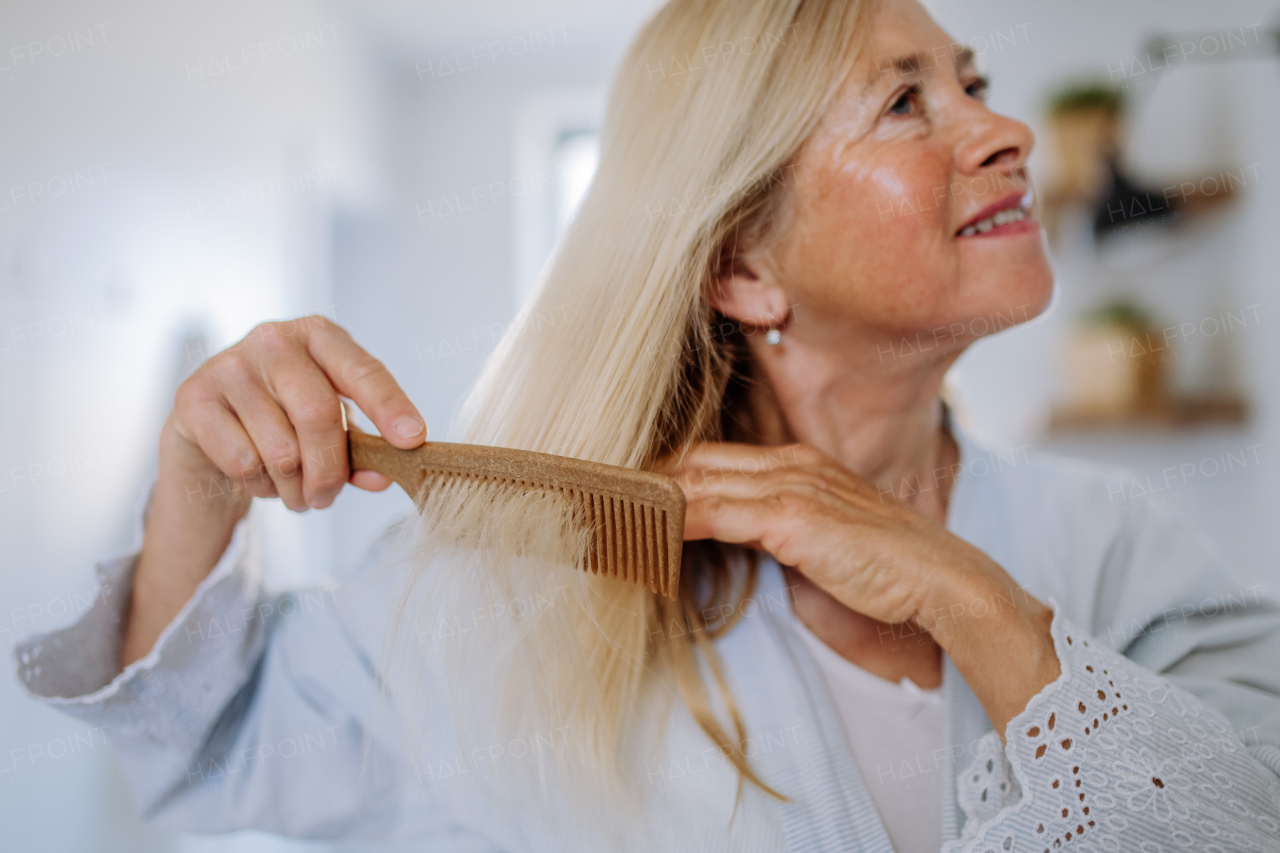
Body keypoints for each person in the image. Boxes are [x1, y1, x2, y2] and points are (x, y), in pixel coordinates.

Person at [16, 0, 1280, 850]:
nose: (1002, 131)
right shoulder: (529, 582)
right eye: (906, 105)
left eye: (971, 83)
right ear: (741, 271)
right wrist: (195, 486)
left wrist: (973, 603)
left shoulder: (1115, 547)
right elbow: (215, 749)